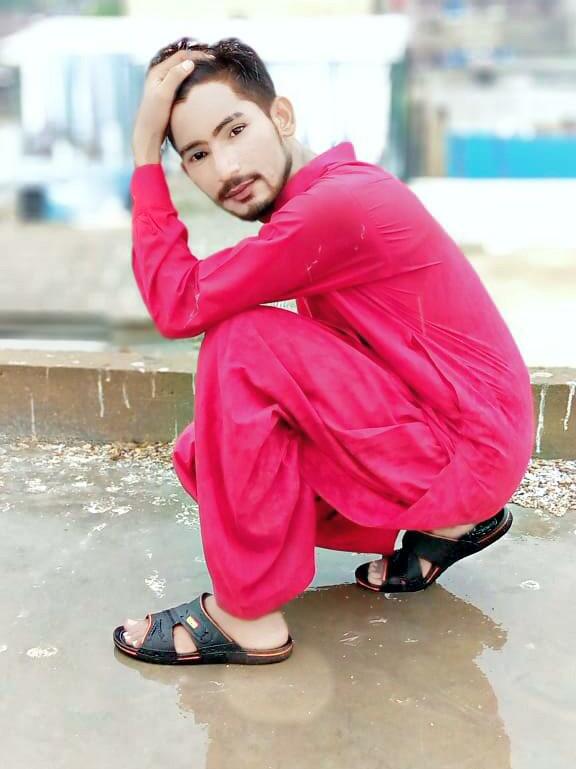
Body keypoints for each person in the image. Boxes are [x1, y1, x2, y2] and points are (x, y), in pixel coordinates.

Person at [113, 37, 534, 666]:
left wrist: (146, 154)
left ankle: (246, 617)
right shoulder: (327, 194)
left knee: (241, 342)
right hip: (475, 435)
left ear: (281, 116)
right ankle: (449, 527)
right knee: (209, 453)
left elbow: (180, 303)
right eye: (197, 154)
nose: (225, 167)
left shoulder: (335, 208)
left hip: (468, 448)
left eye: (235, 130)